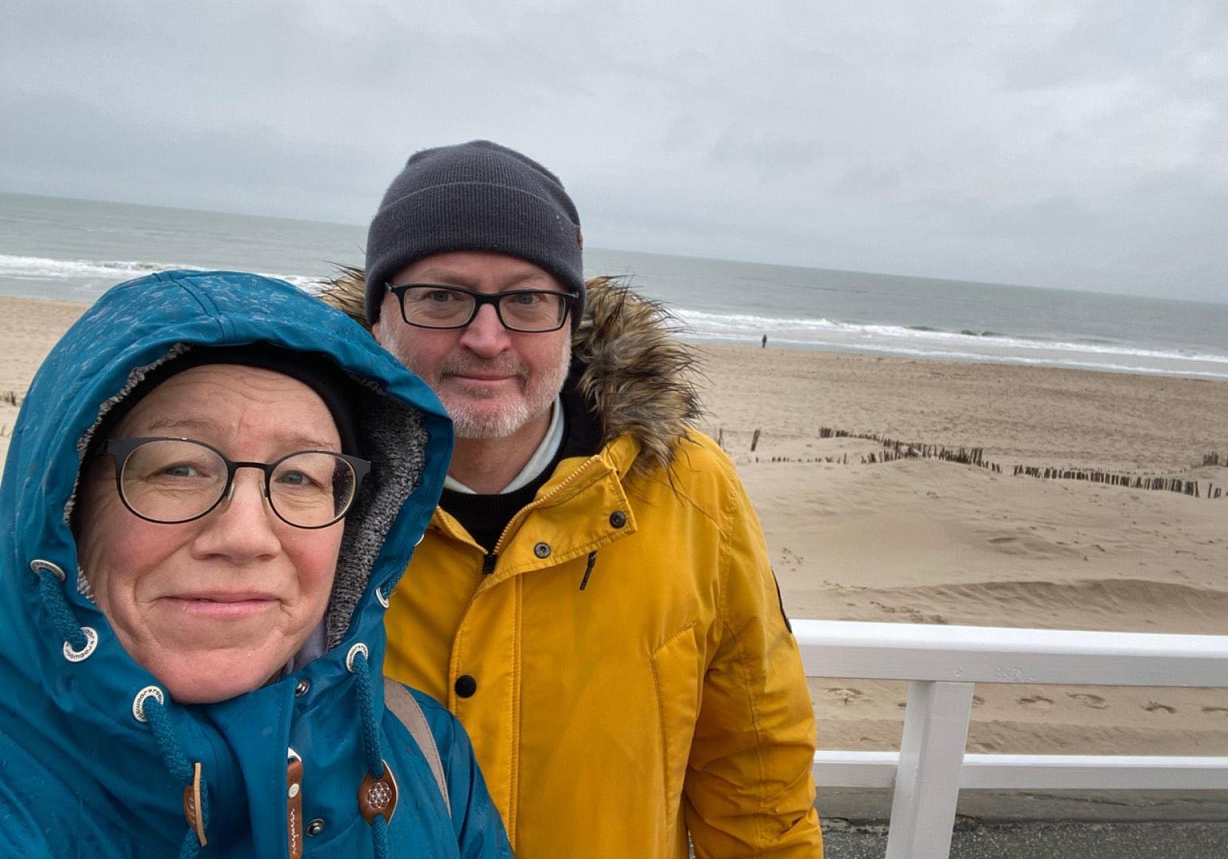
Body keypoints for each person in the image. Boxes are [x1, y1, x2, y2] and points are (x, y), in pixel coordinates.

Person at [323, 140, 822, 857]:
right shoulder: (304, 492)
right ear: (380, 316)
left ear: (570, 317)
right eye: (441, 296)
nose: (487, 338)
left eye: (526, 299)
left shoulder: (690, 488)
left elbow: (755, 763)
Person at [0, 269, 514, 859]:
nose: (245, 537)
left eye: (300, 476)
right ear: (65, 507)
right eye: (179, 469)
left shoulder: (427, 751)